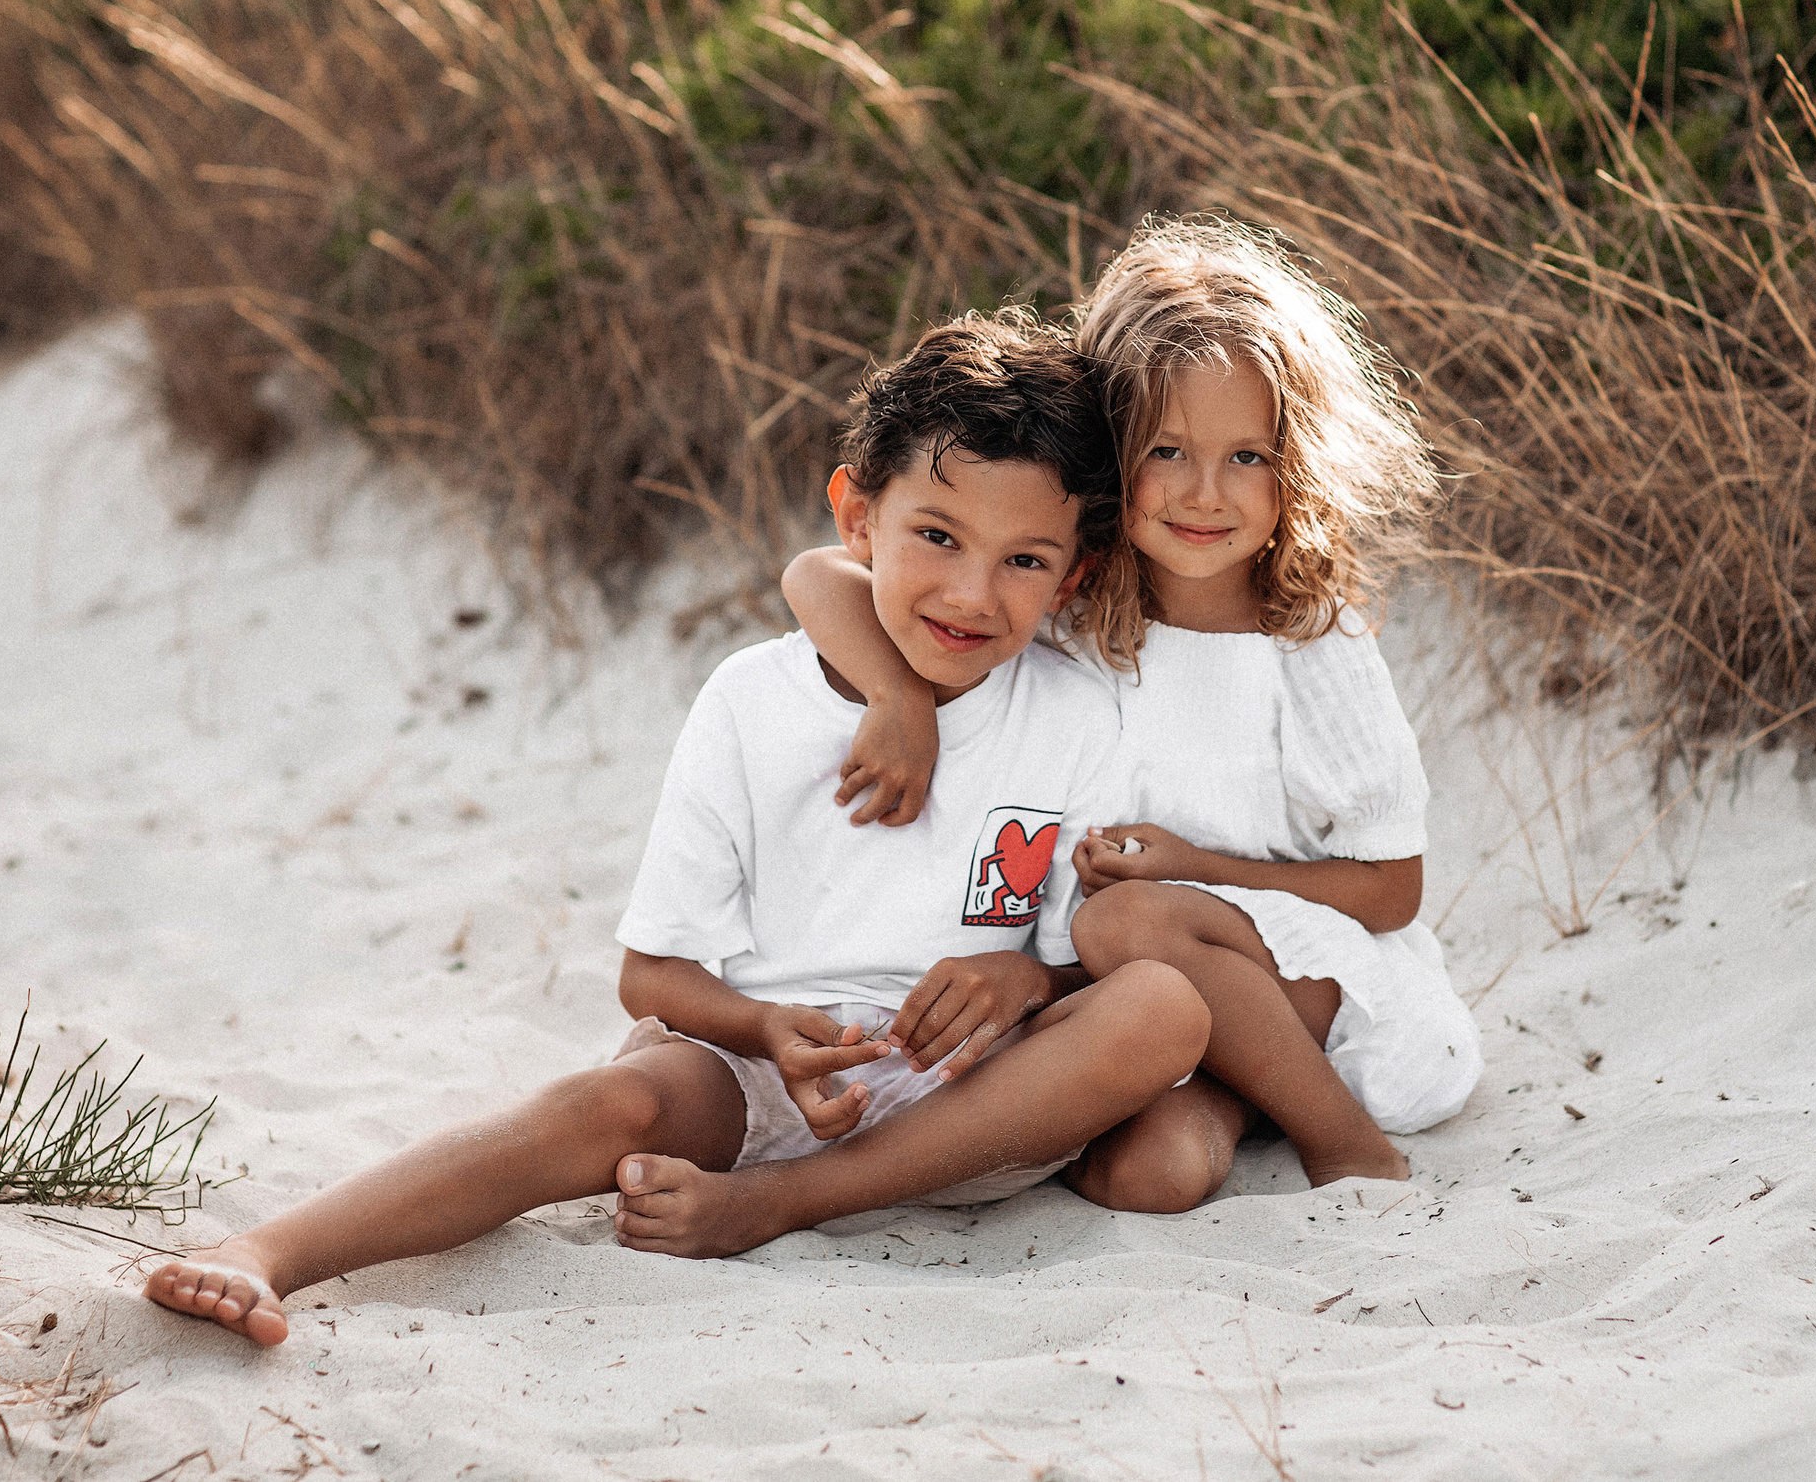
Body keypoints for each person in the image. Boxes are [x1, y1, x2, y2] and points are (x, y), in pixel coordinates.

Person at [144, 313, 1207, 1345]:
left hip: (985, 1103)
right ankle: (268, 1251)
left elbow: (1085, 960)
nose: (974, 593)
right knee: (601, 1104)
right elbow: (653, 980)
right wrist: (764, 1030)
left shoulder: (1078, 714)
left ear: (1071, 573)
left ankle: (784, 1204)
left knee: (1158, 1008)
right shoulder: (754, 700)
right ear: (855, 518)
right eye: (936, 536)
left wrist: (1023, 982)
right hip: (770, 1078)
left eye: (1025, 561)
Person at [783, 218, 1480, 1213]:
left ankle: (1347, 1145)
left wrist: (1193, 869)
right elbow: (815, 573)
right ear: (1112, 451)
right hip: (1124, 1000)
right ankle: (1227, 1102)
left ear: (1297, 462)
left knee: (1128, 917)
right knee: (1150, 1176)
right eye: (1167, 449)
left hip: (1312, 995)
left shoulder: (1308, 643)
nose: (1206, 492)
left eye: (1248, 456)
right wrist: (898, 698)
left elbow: (1393, 890)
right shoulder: (1064, 610)